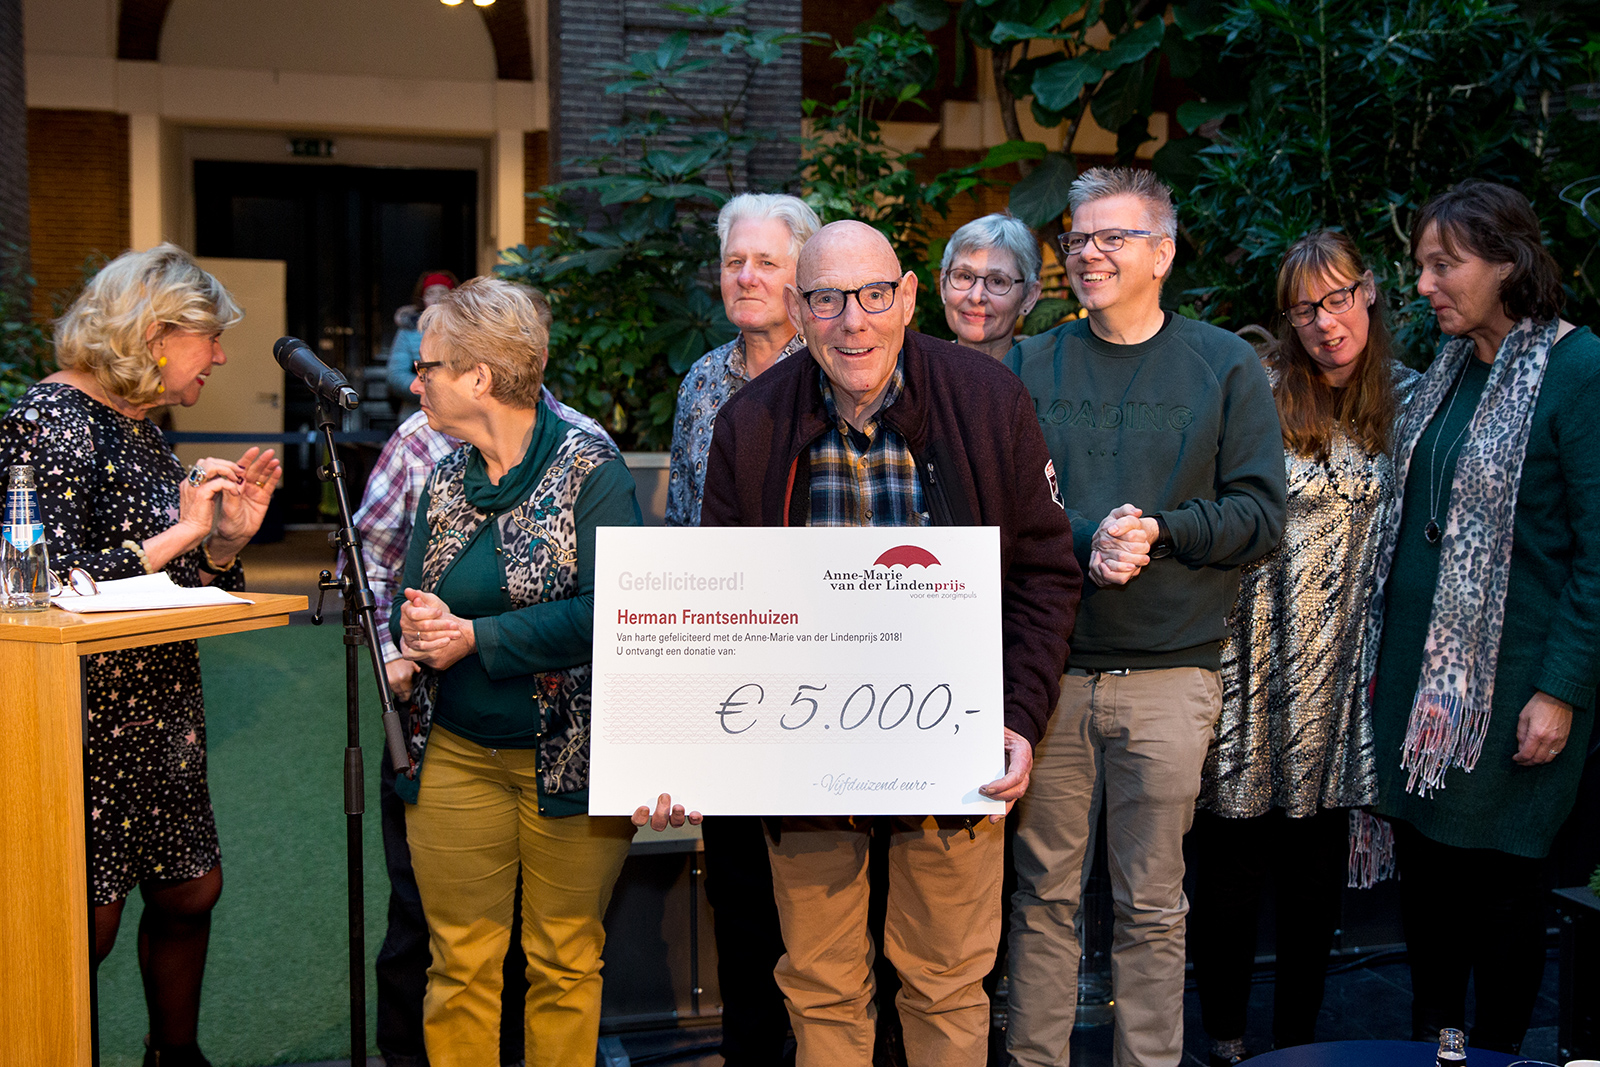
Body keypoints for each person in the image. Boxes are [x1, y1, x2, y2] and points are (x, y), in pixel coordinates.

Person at [636, 220, 1082, 1067]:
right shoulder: (751, 423)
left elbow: (1045, 576)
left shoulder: (986, 404)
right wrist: (679, 747)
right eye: (830, 300)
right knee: (822, 988)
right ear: (799, 310)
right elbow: (719, 602)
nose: (855, 322)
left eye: (875, 296)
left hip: (953, 756)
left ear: (909, 296)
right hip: (807, 764)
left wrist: (1020, 716)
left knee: (949, 986)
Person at [1003, 167, 1287, 1067]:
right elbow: (1005, 504)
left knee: (1154, 904)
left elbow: (1262, 514)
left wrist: (1161, 529)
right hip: (1048, 678)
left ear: (1161, 253)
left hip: (1171, 675)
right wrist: (1090, 534)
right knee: (1041, 898)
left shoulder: (1224, 363)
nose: (1086, 252)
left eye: (1110, 237)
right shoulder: (1031, 361)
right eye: (1077, 238)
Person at [0, 244, 281, 1067]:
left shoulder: (145, 434)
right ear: (155, 333)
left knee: (191, 887)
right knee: (82, 922)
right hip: (71, 711)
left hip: (158, 700)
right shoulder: (48, 419)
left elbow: (175, 574)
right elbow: (39, 587)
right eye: (210, 338)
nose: (221, 356)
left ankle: (175, 1054)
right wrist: (182, 530)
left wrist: (223, 544)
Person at [345, 284, 612, 1067]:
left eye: (427, 366)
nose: (413, 379)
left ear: (479, 379)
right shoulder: (445, 476)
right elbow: (409, 595)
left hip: (567, 758)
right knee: (458, 964)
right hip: (455, 750)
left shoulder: (590, 469)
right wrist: (414, 631)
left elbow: (613, 611)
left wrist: (476, 637)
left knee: (564, 963)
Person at [1364, 180, 1600, 1053]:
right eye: (1421, 264)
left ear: (1507, 262)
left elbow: (1597, 554)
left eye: (1444, 264)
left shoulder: (1578, 371)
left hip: (1517, 697)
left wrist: (1563, 689)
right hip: (1421, 699)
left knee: (1504, 897)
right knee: (1431, 890)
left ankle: (1496, 1048)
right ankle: (1438, 1043)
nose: (1424, 283)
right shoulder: (1452, 372)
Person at [1189, 230, 1418, 1065]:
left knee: (1314, 879)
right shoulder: (1257, 388)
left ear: (1369, 292)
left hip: (1344, 675)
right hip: (1248, 664)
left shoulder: (1410, 397)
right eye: (1303, 307)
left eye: (1337, 298)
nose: (1324, 322)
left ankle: (1298, 1043)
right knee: (1231, 865)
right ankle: (1221, 1037)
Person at [664, 191, 819, 1066]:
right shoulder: (700, 382)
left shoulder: (844, 366)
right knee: (739, 899)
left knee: (829, 913)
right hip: (726, 684)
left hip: (819, 684)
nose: (747, 276)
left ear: (805, 276)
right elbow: (688, 536)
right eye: (734, 261)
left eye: (766, 261)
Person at [937, 212, 1043, 359]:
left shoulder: (1047, 378)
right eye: (965, 276)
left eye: (997, 281)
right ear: (943, 284)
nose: (976, 297)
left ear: (1029, 297)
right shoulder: (915, 376)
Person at [387, 270, 459, 411]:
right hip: (418, 407)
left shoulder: (468, 328)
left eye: (442, 292)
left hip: (460, 407)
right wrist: (428, 387)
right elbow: (395, 375)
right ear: (422, 298)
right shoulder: (409, 330)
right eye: (430, 293)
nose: (437, 299)